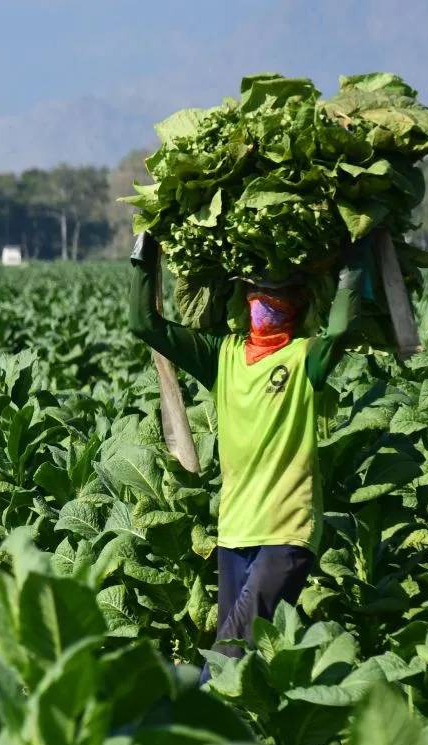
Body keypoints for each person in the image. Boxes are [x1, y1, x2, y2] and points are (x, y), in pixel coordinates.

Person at [128, 234, 371, 683]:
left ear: (299, 304)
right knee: (244, 663)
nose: (267, 301)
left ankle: (192, 737)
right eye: (258, 292)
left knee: (228, 655)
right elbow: (146, 326)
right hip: (235, 531)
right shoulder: (223, 357)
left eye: (280, 295)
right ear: (244, 296)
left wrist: (355, 258)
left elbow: (340, 329)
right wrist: (145, 254)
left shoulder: (305, 359)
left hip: (287, 532)